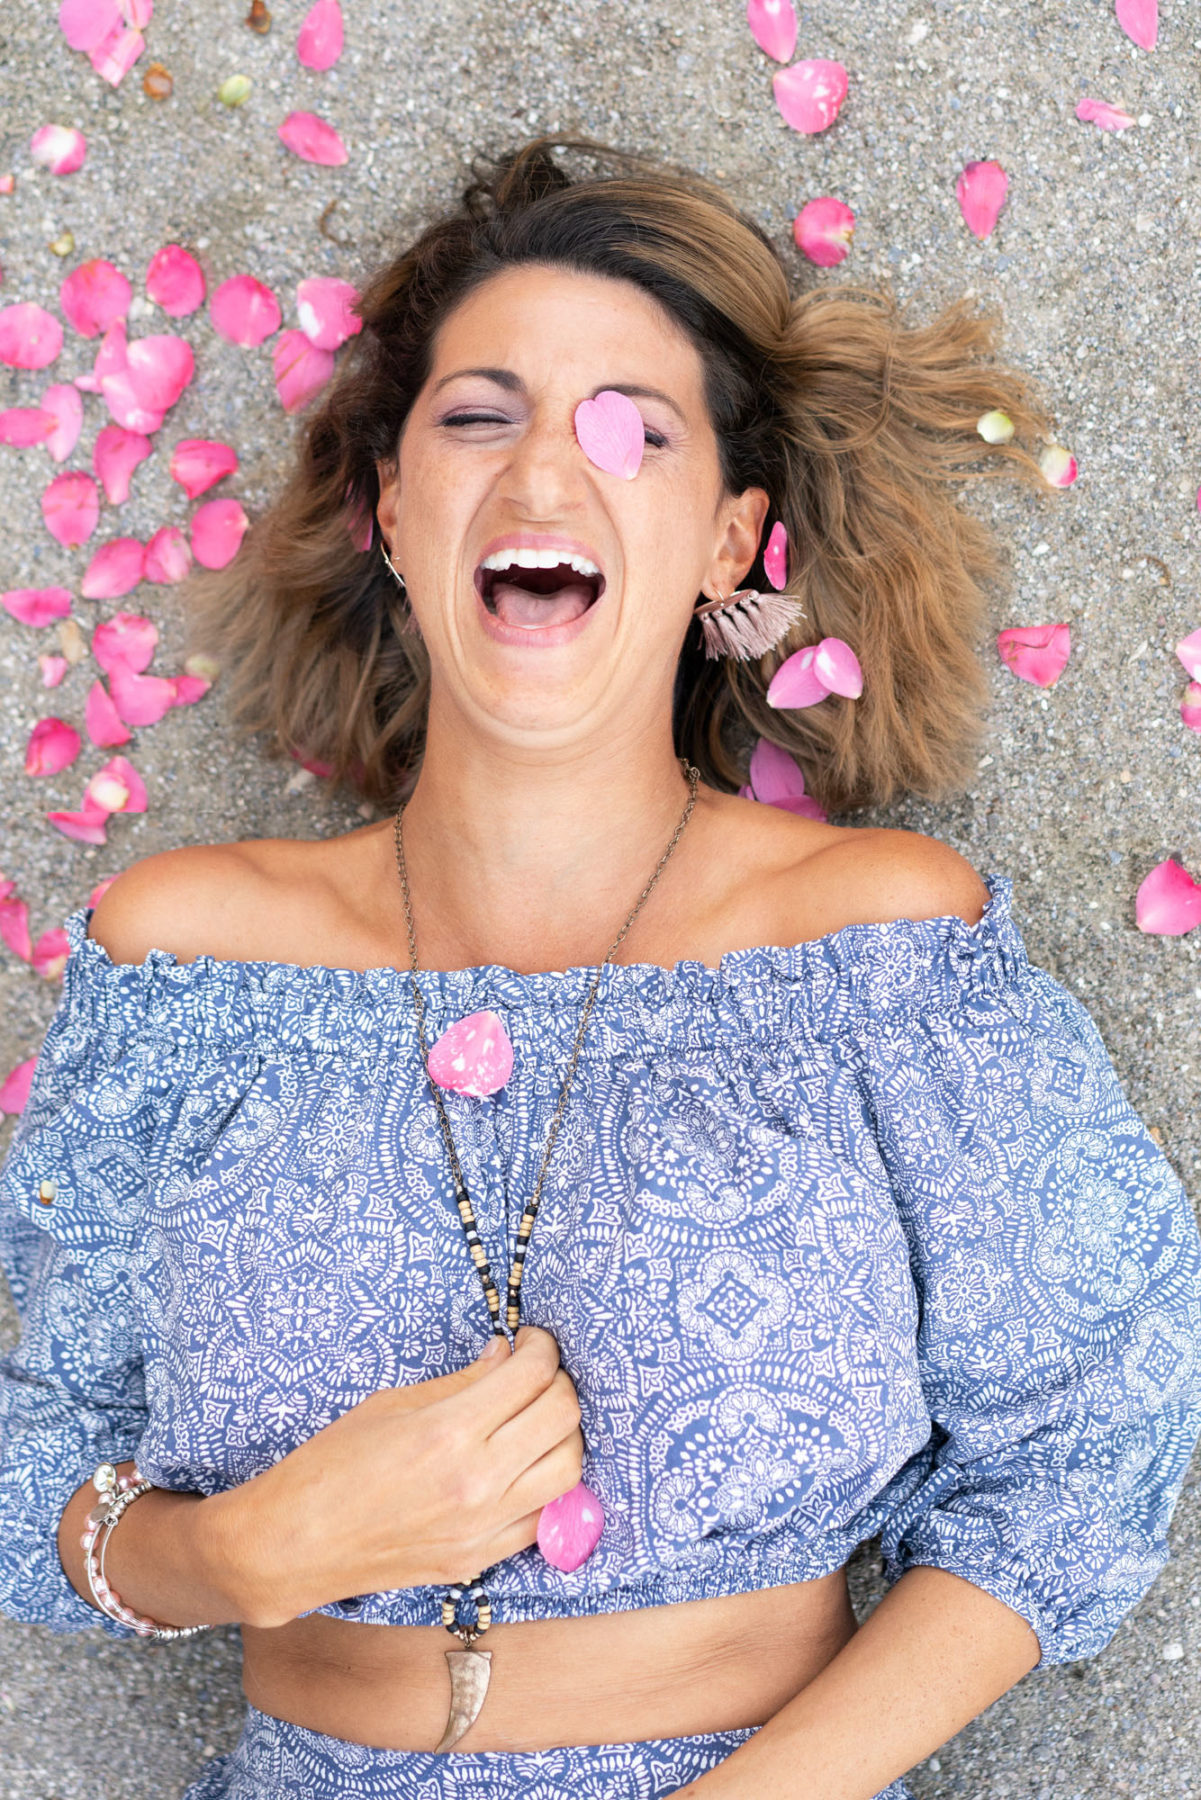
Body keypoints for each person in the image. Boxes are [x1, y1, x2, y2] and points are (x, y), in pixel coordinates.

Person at [1, 138, 1199, 1800]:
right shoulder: (179, 959)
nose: (545, 478)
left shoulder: (878, 947)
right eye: (477, 417)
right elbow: (40, 1464)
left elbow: (1083, 1444)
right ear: (391, 509)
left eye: (630, 427)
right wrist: (245, 1555)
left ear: (728, 542)